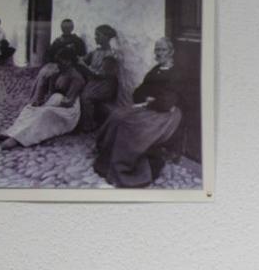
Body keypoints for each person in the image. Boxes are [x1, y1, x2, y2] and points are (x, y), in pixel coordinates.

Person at [93, 37, 184, 188]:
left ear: (171, 52)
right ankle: (106, 159)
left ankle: (124, 166)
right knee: (117, 115)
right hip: (149, 106)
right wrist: (147, 98)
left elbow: (169, 100)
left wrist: (152, 101)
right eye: (157, 49)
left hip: (167, 114)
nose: (159, 53)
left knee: (128, 124)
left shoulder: (176, 73)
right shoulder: (155, 70)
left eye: (163, 50)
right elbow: (138, 92)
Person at [0, 45, 85, 149]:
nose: (58, 64)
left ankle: (17, 139)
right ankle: (11, 133)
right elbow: (52, 92)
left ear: (69, 61)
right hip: (56, 102)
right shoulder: (60, 72)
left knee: (43, 114)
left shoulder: (76, 78)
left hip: (68, 112)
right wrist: (43, 100)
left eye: (61, 61)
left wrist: (49, 106)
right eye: (57, 61)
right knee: (30, 108)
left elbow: (69, 102)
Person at [30, 19, 88, 103]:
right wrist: (52, 61)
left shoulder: (77, 41)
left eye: (68, 27)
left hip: (71, 64)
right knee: (43, 73)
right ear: (61, 28)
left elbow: (82, 55)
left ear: (72, 28)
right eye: (64, 27)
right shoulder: (57, 41)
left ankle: (50, 98)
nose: (66, 29)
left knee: (57, 74)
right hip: (56, 64)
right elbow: (49, 54)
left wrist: (71, 60)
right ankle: (37, 98)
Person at [76, 24, 121, 133]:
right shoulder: (96, 51)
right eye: (95, 35)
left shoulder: (110, 55)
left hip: (106, 85)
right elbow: (83, 59)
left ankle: (89, 125)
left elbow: (100, 75)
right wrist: (76, 58)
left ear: (106, 37)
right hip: (94, 82)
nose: (95, 37)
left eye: (98, 35)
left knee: (86, 97)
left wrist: (84, 66)